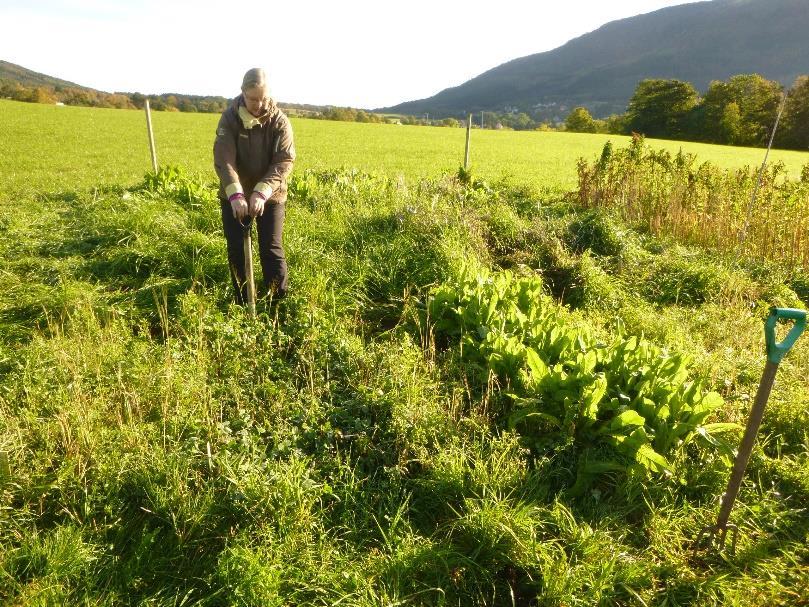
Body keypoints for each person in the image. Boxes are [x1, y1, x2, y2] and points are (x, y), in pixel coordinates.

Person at [213, 68, 295, 304]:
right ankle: (243, 300)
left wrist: (262, 191)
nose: (258, 104)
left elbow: (284, 161)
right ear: (242, 93)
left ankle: (277, 303)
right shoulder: (229, 118)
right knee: (237, 249)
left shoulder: (280, 121)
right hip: (234, 194)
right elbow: (223, 158)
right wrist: (236, 193)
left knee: (271, 248)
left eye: (263, 98)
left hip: (271, 195)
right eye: (253, 99)